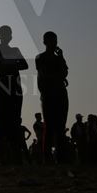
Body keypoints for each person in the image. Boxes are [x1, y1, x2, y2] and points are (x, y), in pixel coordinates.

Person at [0, 25, 29, 164]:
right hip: (3, 89)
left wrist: (7, 62)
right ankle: (2, 157)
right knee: (1, 121)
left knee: (15, 120)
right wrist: (13, 62)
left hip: (15, 89)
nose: (7, 36)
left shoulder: (14, 50)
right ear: (0, 36)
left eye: (9, 34)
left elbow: (25, 65)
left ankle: (15, 157)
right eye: (5, 34)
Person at [35, 31, 68, 162]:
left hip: (60, 93)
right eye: (51, 41)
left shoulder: (58, 58)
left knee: (61, 126)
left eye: (55, 41)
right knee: (49, 126)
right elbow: (44, 74)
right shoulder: (40, 57)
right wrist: (58, 77)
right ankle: (47, 158)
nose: (54, 43)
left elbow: (65, 72)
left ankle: (61, 157)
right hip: (48, 94)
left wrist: (61, 57)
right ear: (45, 42)